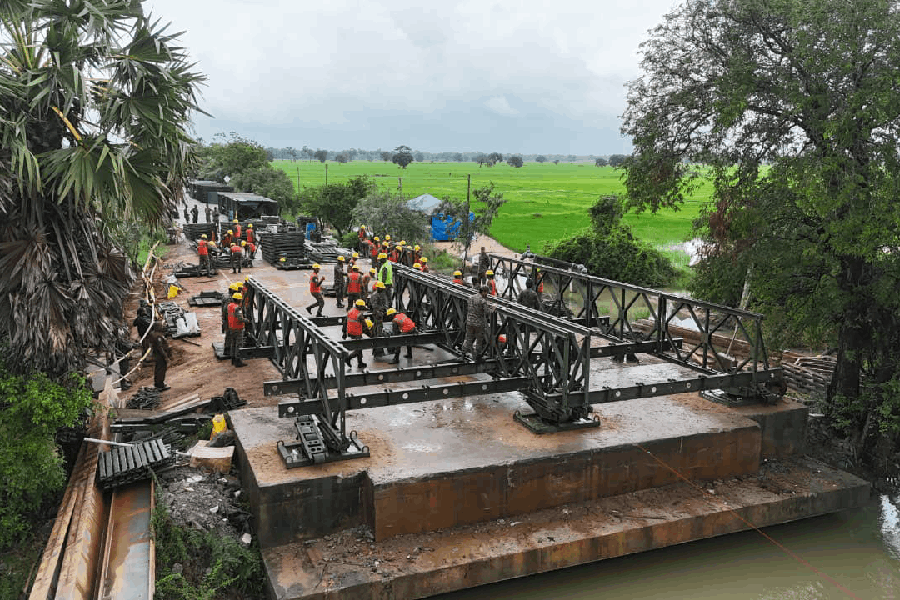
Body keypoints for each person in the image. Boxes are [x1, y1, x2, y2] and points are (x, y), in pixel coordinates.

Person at [462, 285, 491, 361]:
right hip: (479, 324)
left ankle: (463, 353)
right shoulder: (483, 301)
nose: (487, 294)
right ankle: (478, 356)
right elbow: (487, 312)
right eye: (486, 293)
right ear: (483, 292)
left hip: (469, 322)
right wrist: (493, 308)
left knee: (468, 338)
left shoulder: (470, 297)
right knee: (479, 340)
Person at [142, 321, 172, 390]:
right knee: (161, 370)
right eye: (160, 326)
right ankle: (160, 384)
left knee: (158, 369)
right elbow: (160, 348)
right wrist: (165, 356)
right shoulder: (158, 336)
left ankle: (158, 383)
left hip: (156, 355)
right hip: (160, 356)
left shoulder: (153, 334)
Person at [343, 299, 368, 369]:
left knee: (359, 347)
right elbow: (365, 327)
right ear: (359, 307)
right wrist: (371, 335)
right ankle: (348, 358)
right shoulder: (359, 315)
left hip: (350, 332)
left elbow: (345, 322)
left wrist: (344, 332)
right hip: (356, 332)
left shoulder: (350, 311)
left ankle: (360, 363)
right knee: (359, 348)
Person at [226, 292, 248, 367]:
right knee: (239, 344)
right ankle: (238, 361)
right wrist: (246, 320)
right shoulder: (237, 308)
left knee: (233, 343)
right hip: (238, 328)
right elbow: (240, 319)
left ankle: (233, 359)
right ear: (239, 300)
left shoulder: (229, 306)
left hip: (231, 327)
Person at [369, 281, 388, 359]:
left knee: (378, 331)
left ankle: (378, 350)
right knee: (378, 332)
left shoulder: (382, 295)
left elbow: (386, 304)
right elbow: (374, 306)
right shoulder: (374, 296)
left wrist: (384, 310)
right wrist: (380, 312)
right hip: (377, 316)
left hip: (380, 315)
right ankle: (378, 351)